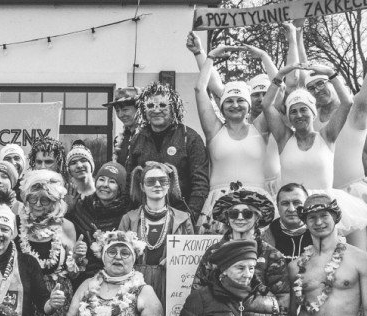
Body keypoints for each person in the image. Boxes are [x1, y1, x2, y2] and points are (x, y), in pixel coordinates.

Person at [190, 36, 274, 214]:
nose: (235, 105)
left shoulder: (260, 127)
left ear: (249, 106)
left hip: (256, 200)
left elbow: (279, 90)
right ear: (221, 106)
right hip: (219, 200)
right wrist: (210, 56)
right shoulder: (214, 130)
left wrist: (264, 56)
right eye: (229, 101)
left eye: (240, 100)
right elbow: (200, 89)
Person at [123, 82, 210, 218]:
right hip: (144, 217)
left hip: (180, 215)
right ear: (144, 110)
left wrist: (189, 218)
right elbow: (130, 183)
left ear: (173, 108)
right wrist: (129, 218)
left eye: (162, 105)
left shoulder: (190, 138)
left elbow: (200, 184)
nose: (156, 110)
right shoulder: (137, 139)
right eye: (150, 106)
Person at [120, 162, 196, 301]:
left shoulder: (184, 219)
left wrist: (175, 260)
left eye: (163, 181)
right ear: (142, 187)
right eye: (150, 181)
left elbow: (192, 258)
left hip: (172, 286)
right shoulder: (129, 219)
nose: (157, 184)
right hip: (135, 285)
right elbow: (119, 255)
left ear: (169, 185)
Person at [17, 170, 80, 316]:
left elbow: (73, 274)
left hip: (58, 295)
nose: (38, 204)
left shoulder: (66, 226)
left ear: (54, 201)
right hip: (27, 295)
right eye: (33, 199)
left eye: (44, 200)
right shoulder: (18, 225)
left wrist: (77, 259)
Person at [191, 183, 281, 292]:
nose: (240, 218)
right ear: (227, 218)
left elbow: (281, 294)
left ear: (257, 217)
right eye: (233, 213)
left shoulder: (271, 254)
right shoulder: (214, 251)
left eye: (247, 214)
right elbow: (198, 289)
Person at [264, 87, 342, 193]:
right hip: (292, 202)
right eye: (293, 112)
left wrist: (331, 77)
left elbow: (347, 102)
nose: (299, 115)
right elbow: (266, 105)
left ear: (313, 113)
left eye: (303, 109)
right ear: (289, 117)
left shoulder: (327, 136)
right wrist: (279, 78)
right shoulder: (284, 138)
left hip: (323, 202)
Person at [72, 162, 132, 280]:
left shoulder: (127, 214)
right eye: (101, 179)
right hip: (83, 279)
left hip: (115, 279)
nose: (105, 185)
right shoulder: (82, 207)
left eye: (112, 181)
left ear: (120, 188)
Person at [106, 86, 141, 166]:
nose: (120, 115)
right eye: (117, 111)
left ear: (139, 109)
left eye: (125, 110)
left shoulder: (149, 136)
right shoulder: (120, 140)